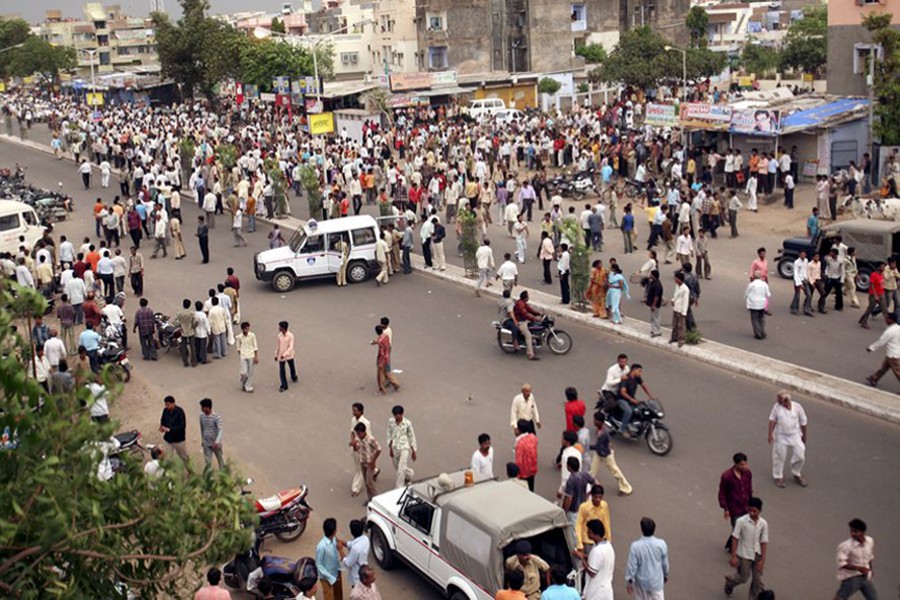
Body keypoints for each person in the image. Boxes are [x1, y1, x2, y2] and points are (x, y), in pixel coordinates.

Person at [724, 497, 768, 599]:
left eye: (754, 511)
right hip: (744, 554)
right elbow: (735, 538)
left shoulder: (763, 524)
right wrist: (734, 556)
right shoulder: (741, 521)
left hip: (757, 554)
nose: (752, 513)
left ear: (760, 511)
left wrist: (762, 560)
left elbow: (764, 542)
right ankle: (730, 582)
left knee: (757, 581)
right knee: (743, 577)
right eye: (750, 510)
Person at [768, 391, 808, 488]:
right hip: (781, 435)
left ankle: (796, 472)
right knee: (779, 456)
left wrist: (804, 435)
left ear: (786, 401)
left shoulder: (797, 407)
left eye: (780, 400)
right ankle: (778, 476)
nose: (778, 402)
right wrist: (770, 434)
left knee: (800, 454)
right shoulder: (776, 408)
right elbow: (772, 420)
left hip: (795, 434)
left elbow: (803, 422)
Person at [625, 517, 669, 600]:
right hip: (656, 583)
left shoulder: (635, 546)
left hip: (642, 584)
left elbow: (632, 566)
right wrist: (666, 574)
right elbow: (664, 563)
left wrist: (630, 581)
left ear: (641, 529)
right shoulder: (661, 544)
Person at [590, 412, 633, 496]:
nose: (593, 421)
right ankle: (588, 486)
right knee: (592, 470)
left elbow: (597, 446)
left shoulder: (603, 433)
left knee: (615, 471)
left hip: (606, 454)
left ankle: (626, 488)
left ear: (599, 421)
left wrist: (586, 447)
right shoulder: (602, 428)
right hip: (600, 452)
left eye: (595, 420)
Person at [718, 452, 753, 553]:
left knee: (744, 527)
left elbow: (749, 489)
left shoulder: (748, 473)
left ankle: (731, 544)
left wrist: (751, 503)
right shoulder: (727, 476)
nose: (744, 467)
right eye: (742, 465)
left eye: (746, 464)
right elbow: (722, 493)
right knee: (738, 528)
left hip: (746, 506)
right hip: (734, 508)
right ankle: (734, 548)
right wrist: (726, 509)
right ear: (736, 464)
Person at [835, 518, 877, 600]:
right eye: (851, 531)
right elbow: (842, 564)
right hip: (852, 577)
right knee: (841, 598)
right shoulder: (845, 546)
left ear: (862, 532)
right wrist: (859, 568)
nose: (852, 534)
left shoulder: (870, 541)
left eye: (855, 531)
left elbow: (870, 557)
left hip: (865, 577)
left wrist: (870, 569)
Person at [582, 519, 615, 600]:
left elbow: (592, 572)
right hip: (607, 590)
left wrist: (583, 561)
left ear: (595, 534)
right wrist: (585, 556)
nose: (587, 533)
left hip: (596, 592)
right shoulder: (608, 546)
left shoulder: (597, 551)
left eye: (589, 532)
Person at [865, 313, 900, 387]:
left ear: (891, 320)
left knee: (898, 372)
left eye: (887, 318)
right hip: (894, 353)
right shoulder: (898, 328)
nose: (886, 320)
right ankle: (874, 378)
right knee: (884, 367)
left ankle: (874, 378)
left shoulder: (890, 331)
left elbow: (881, 341)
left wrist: (871, 348)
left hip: (893, 354)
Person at [315, 517, 346, 600]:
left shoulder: (335, 540)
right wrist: (331, 578)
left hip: (336, 572)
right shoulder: (321, 547)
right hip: (327, 578)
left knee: (338, 595)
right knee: (329, 597)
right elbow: (319, 564)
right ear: (334, 531)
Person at [387, 405, 417, 488]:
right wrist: (390, 448)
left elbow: (411, 436)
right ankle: (409, 474)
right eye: (395, 415)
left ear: (402, 414)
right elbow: (389, 433)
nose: (397, 417)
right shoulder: (391, 422)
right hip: (395, 447)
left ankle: (399, 487)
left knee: (401, 469)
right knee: (397, 466)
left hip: (404, 447)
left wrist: (413, 450)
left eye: (398, 415)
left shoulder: (407, 423)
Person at [159, 396, 191, 471]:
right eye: (166, 404)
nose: (167, 406)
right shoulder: (165, 411)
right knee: (168, 457)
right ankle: (171, 473)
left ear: (173, 403)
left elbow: (182, 426)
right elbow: (162, 420)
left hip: (178, 440)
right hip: (168, 439)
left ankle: (190, 470)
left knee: (184, 457)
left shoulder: (180, 412)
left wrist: (170, 429)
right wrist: (162, 427)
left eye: (168, 404)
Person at [354, 421, 381, 503]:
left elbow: (379, 449)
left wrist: (373, 461)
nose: (358, 435)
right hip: (363, 461)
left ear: (363, 432)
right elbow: (357, 448)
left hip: (370, 463)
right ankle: (370, 499)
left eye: (359, 433)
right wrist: (355, 446)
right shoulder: (358, 439)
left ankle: (376, 499)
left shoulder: (370, 439)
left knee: (369, 482)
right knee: (366, 483)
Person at [342, 519, 370, 587]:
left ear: (351, 532)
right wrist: (343, 542)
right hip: (365, 571)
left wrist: (340, 550)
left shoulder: (355, 549)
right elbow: (352, 544)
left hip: (357, 577)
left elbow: (348, 563)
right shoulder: (365, 539)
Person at [373, 324, 400, 394]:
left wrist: (380, 362)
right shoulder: (386, 336)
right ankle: (396, 383)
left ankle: (382, 389)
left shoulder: (380, 341)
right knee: (387, 373)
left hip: (382, 359)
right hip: (387, 356)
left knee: (380, 375)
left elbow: (382, 352)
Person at [198, 398, 224, 470]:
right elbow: (202, 428)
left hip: (215, 444)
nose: (201, 409)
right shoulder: (201, 416)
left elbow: (220, 430)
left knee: (220, 459)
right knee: (208, 462)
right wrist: (203, 440)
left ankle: (223, 474)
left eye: (202, 407)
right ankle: (209, 476)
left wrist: (217, 442)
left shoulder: (216, 417)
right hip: (206, 443)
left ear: (207, 407)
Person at [859, 262, 885, 329]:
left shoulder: (882, 275)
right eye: (882, 267)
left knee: (884, 309)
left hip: (881, 294)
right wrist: (875, 295)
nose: (883, 268)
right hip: (874, 295)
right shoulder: (874, 275)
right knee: (870, 308)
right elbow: (872, 285)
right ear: (878, 267)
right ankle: (864, 321)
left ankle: (890, 324)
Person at [514, 420, 539, 491]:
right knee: (531, 488)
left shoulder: (520, 443)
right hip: (532, 469)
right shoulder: (533, 437)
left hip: (523, 472)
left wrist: (517, 474)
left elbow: (518, 461)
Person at [745, 273, 771, 339]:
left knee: (755, 319)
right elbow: (768, 294)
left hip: (753, 304)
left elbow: (746, 293)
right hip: (762, 304)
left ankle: (758, 334)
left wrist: (746, 298)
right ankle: (762, 331)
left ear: (754, 277)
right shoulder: (764, 284)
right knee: (761, 318)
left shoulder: (752, 284)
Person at [275, 320, 297, 392]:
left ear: (283, 328)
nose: (279, 328)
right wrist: (276, 354)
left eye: (280, 327)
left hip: (289, 355)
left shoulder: (290, 336)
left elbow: (291, 347)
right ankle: (284, 385)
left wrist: (285, 354)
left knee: (291, 366)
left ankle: (293, 376)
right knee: (282, 370)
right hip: (281, 355)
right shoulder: (279, 336)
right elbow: (278, 346)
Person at [235, 321, 258, 392]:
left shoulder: (252, 335)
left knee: (250, 372)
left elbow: (255, 346)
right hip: (243, 356)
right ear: (242, 329)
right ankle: (243, 383)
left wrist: (256, 356)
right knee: (243, 372)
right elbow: (238, 347)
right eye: (245, 329)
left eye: (248, 328)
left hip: (251, 355)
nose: (247, 330)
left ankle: (248, 386)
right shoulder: (239, 337)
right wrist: (241, 354)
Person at [669, 272, 689, 346]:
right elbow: (675, 294)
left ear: (679, 279)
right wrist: (673, 300)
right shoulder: (677, 286)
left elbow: (685, 301)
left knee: (681, 326)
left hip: (681, 310)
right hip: (675, 308)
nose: (675, 280)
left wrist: (684, 312)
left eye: (676, 278)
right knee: (674, 324)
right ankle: (674, 337)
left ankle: (681, 340)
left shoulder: (685, 289)